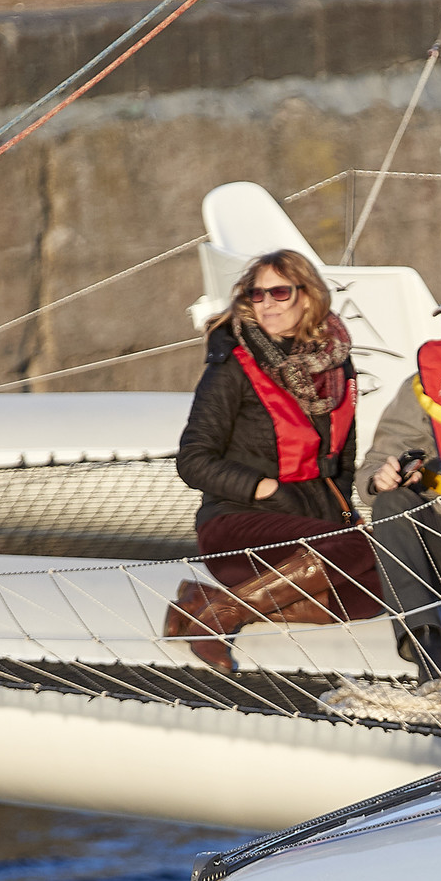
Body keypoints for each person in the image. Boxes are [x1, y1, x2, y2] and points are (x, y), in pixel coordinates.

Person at [168, 251, 384, 671]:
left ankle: (205, 606)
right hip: (238, 523)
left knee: (377, 589)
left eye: (278, 292)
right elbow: (193, 459)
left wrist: (346, 517)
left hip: (314, 530)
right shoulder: (232, 365)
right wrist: (264, 488)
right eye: (256, 294)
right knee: (360, 547)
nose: (265, 303)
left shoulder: (337, 366)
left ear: (307, 297)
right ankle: (217, 620)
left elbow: (341, 462)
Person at [358, 276, 441, 672]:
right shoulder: (423, 386)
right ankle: (428, 653)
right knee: (392, 502)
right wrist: (382, 477)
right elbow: (378, 458)